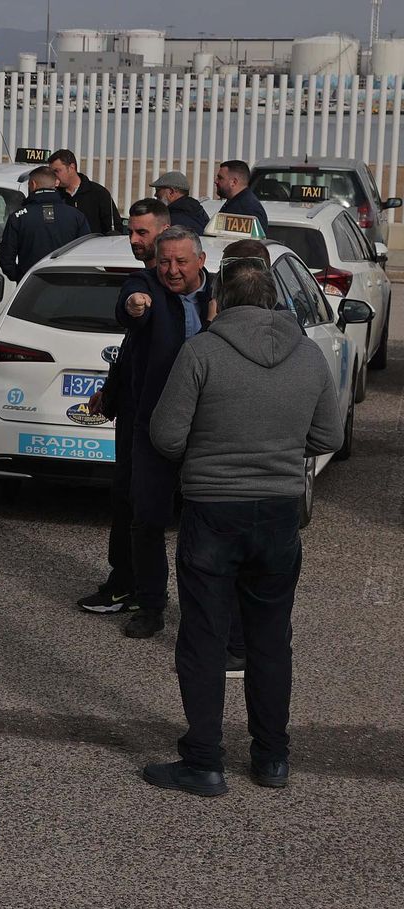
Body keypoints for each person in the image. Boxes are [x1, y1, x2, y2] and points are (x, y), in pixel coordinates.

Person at [141, 261, 342, 797]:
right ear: (276, 299)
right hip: (278, 512)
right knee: (271, 639)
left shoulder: (202, 352)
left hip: (213, 509)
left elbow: (166, 435)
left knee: (205, 637)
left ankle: (204, 762)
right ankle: (272, 757)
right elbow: (328, 435)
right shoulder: (308, 355)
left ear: (222, 299)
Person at [116, 226, 214, 640]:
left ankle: (202, 614)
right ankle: (150, 604)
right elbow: (128, 305)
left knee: (205, 526)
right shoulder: (146, 287)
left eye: (181, 262)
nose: (171, 270)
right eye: (165, 261)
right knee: (147, 518)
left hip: (208, 431)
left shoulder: (221, 294)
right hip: (154, 425)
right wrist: (135, 305)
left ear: (201, 262)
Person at [80, 200, 169, 618]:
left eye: (142, 233)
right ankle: (126, 584)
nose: (133, 240)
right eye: (131, 232)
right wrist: (111, 388)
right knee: (128, 500)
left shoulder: (195, 291)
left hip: (172, 420)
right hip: (136, 416)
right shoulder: (142, 284)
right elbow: (131, 315)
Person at [0, 166, 93, 280]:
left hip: (32, 287)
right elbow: (86, 253)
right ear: (54, 185)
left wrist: (22, 277)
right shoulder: (76, 215)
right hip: (68, 285)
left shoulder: (19, 217)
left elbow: (6, 257)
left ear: (33, 184)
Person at [48, 148, 118, 236]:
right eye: (51, 173)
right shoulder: (53, 195)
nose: (54, 176)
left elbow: (114, 229)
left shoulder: (98, 193)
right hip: (63, 249)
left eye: (57, 171)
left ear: (71, 168)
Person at [215, 160, 270, 229]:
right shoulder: (237, 203)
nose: (216, 181)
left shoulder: (247, 210)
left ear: (234, 182)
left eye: (220, 178)